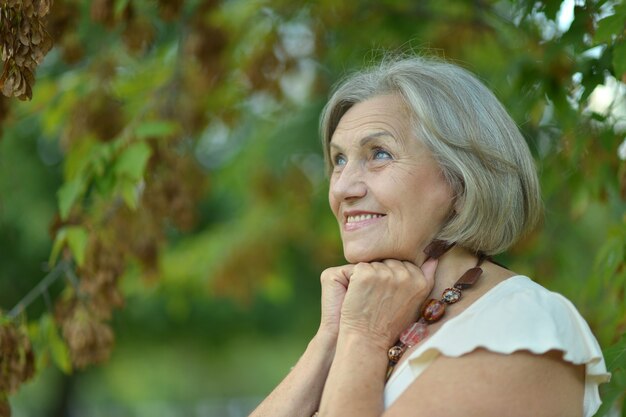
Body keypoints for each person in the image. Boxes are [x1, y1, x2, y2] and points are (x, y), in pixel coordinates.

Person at [249, 55, 610, 417]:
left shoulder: (521, 327)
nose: (342, 187)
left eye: (379, 154)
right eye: (339, 160)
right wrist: (331, 337)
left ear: (461, 180)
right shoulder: (385, 318)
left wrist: (364, 337)